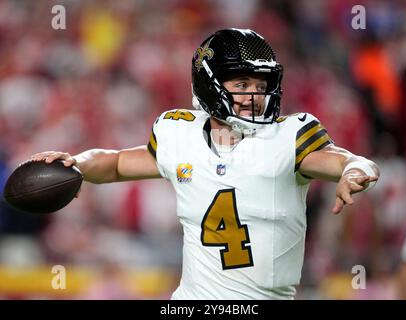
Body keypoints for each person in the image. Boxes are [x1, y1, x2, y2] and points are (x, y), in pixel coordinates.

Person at [31, 28, 380, 300]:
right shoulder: (178, 133)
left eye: (261, 84)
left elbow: (347, 160)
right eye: (242, 83)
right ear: (209, 85)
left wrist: (356, 171)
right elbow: (119, 162)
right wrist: (76, 164)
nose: (254, 95)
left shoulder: (289, 137)